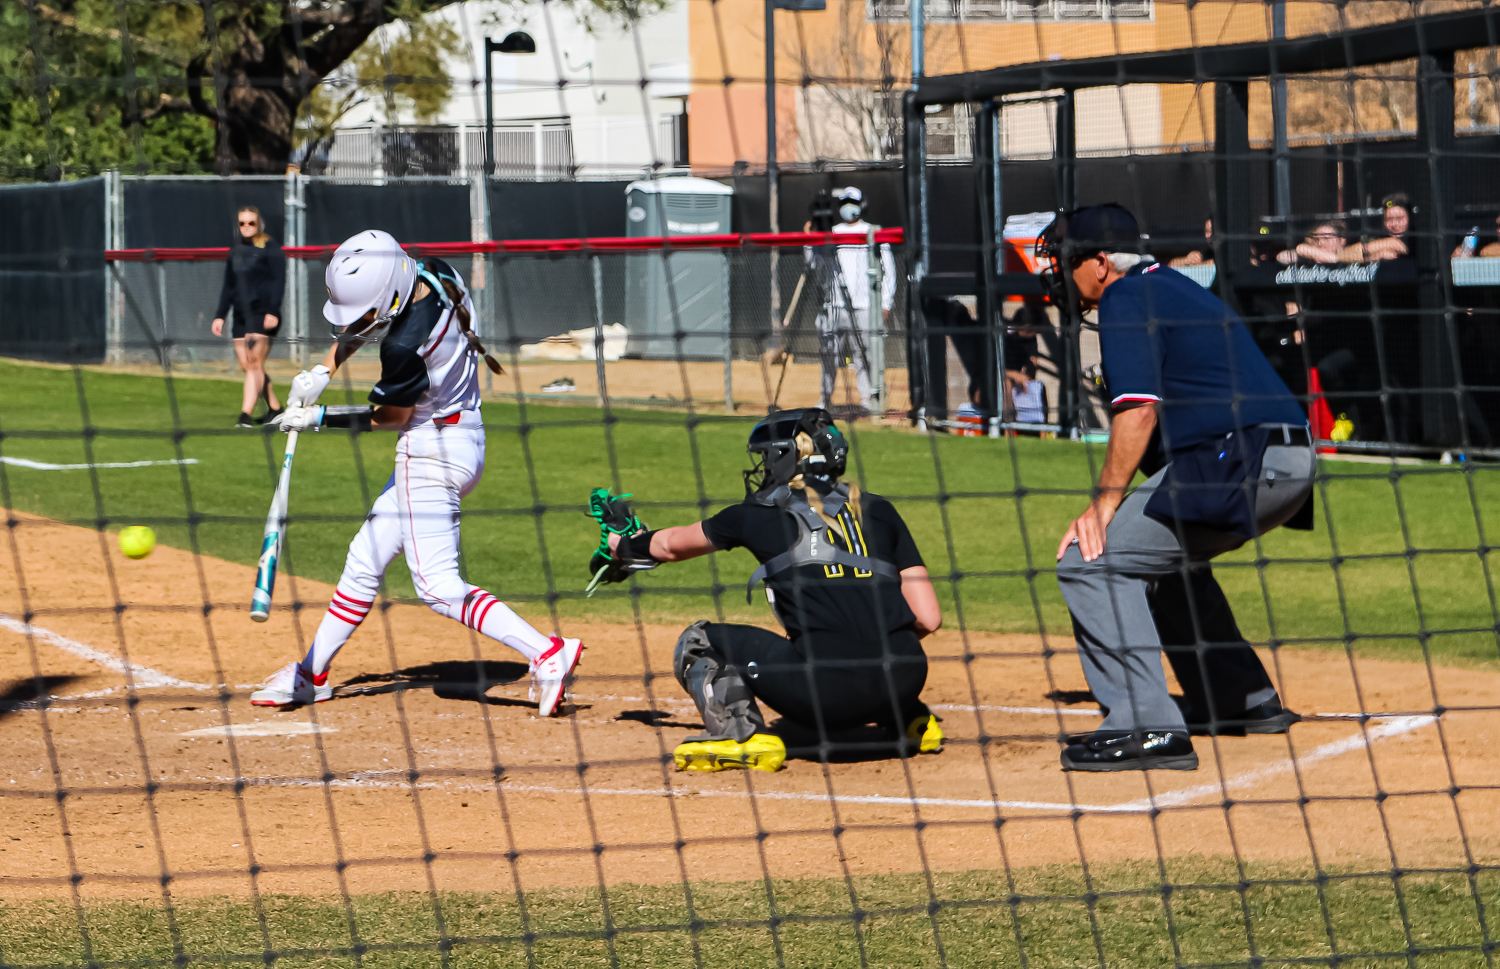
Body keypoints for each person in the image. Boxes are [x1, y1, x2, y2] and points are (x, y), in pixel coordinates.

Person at [250, 230, 584, 714]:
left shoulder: (406, 345)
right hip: (464, 436)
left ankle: (548, 653)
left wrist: (318, 417)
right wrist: (324, 370)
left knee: (438, 587)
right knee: (365, 559)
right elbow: (368, 320)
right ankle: (312, 673)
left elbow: (391, 418)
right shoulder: (432, 272)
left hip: (430, 455)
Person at [1041, 204, 1313, 772]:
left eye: (1067, 263)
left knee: (1090, 562)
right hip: (1283, 458)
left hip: (1241, 459)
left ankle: (1147, 728)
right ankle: (1241, 698)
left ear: (1098, 264)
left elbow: (1138, 412)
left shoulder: (1125, 297)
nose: (1061, 275)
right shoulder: (1171, 287)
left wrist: (1103, 505)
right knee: (1163, 560)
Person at [584, 408, 943, 773]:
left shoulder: (755, 515)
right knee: (870, 639)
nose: (764, 468)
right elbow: (929, 618)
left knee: (698, 639)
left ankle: (742, 736)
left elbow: (671, 546)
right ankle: (909, 721)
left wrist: (621, 545)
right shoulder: (879, 509)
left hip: (826, 699)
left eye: (767, 458)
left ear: (787, 457)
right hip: (907, 679)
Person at [804, 187, 897, 418]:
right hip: (835, 305)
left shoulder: (873, 232)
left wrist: (886, 302)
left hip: (866, 305)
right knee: (829, 354)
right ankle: (825, 399)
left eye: (851, 201)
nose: (847, 205)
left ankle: (869, 400)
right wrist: (809, 239)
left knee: (865, 355)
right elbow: (814, 264)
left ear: (861, 204)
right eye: (844, 201)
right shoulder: (832, 232)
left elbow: (889, 270)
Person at [212, 206, 286, 428]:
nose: (246, 227)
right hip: (240, 313)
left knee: (255, 361)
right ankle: (275, 409)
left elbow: (278, 281)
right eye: (242, 223)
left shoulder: (271, 248)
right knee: (248, 365)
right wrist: (220, 315)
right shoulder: (235, 250)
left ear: (259, 224)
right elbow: (228, 285)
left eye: (251, 223)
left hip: (262, 312)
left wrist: (272, 310)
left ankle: (245, 415)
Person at [1344, 193, 1410, 262]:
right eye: (1389, 219)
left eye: (1399, 219)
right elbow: (1345, 254)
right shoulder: (1377, 238)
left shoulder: (1416, 240)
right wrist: (1377, 256)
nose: (1394, 224)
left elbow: (1401, 247)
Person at [1275, 220, 1348, 265]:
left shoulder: (1352, 256)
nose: (1320, 244)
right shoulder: (1310, 258)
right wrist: (1303, 250)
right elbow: (1281, 257)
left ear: (1342, 240)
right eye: (1317, 240)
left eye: (1326, 238)